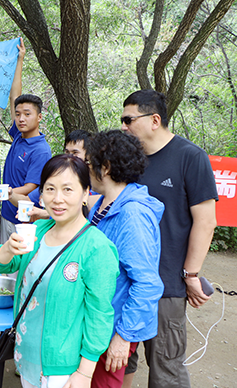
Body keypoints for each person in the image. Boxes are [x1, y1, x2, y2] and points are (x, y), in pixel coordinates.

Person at [0, 154, 119, 388]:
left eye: (68, 189)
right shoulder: (38, 230)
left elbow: (99, 314)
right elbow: (1, 264)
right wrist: (8, 248)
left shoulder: (97, 248)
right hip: (26, 355)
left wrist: (85, 373)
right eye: (50, 189)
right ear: (41, 195)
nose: (58, 199)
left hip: (63, 369)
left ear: (85, 193)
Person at [120, 90, 218, 388]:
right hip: (125, 279)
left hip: (166, 284)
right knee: (119, 360)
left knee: (166, 366)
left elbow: (206, 220)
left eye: (128, 119)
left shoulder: (190, 157)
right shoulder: (130, 161)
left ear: (154, 120)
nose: (123, 126)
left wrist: (191, 274)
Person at [84, 130, 164, 388]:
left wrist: (123, 337)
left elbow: (147, 283)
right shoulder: (104, 203)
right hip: (98, 323)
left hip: (114, 329)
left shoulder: (132, 214)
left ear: (104, 168)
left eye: (89, 164)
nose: (86, 170)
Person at [0, 38, 51, 242]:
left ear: (39, 117)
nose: (21, 118)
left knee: (20, 270)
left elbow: (31, 188)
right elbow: (14, 96)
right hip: (7, 214)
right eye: (18, 114)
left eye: (27, 114)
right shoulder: (19, 135)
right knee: (6, 268)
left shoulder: (41, 150)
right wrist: (20, 60)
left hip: (25, 220)